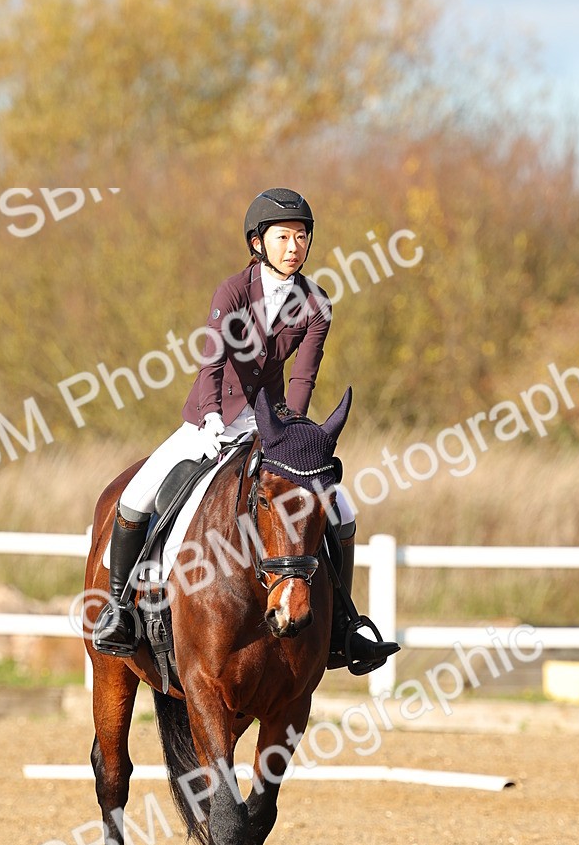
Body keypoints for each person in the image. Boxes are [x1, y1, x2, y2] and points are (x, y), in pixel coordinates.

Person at [91, 188, 396, 670]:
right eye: (283, 237)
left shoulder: (316, 302)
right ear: (258, 242)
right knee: (135, 497)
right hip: (209, 419)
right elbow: (212, 361)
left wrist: (289, 434)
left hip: (270, 425)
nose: (294, 246)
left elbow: (304, 377)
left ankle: (343, 627)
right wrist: (211, 417)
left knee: (342, 509)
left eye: (302, 237)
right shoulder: (232, 292)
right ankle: (119, 613)